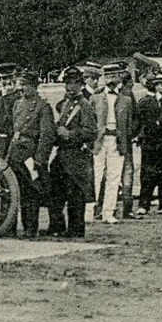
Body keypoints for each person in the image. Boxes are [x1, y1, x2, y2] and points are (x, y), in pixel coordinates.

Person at [49, 67, 98, 238]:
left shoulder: (84, 105)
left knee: (75, 195)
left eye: (72, 84)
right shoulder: (67, 104)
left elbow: (91, 131)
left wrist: (70, 134)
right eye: (66, 84)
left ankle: (76, 229)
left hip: (76, 156)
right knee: (56, 192)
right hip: (63, 154)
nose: (68, 87)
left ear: (80, 85)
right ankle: (57, 226)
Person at [9, 70, 56, 239]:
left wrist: (40, 159)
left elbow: (47, 135)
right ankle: (10, 228)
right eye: (20, 84)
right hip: (15, 152)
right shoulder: (17, 104)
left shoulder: (43, 107)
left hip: (30, 153)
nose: (21, 89)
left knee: (30, 192)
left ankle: (30, 228)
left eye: (26, 85)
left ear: (34, 87)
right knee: (12, 190)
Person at [91, 63, 137, 224]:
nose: (111, 79)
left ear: (119, 78)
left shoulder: (126, 99)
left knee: (114, 177)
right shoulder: (96, 97)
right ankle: (90, 210)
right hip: (99, 141)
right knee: (95, 175)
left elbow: (131, 122)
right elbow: (91, 121)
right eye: (108, 76)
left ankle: (108, 212)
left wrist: (125, 136)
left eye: (114, 76)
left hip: (117, 141)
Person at [135, 73, 162, 218]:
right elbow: (140, 122)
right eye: (161, 84)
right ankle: (144, 204)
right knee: (147, 173)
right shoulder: (145, 102)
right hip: (150, 142)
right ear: (156, 86)